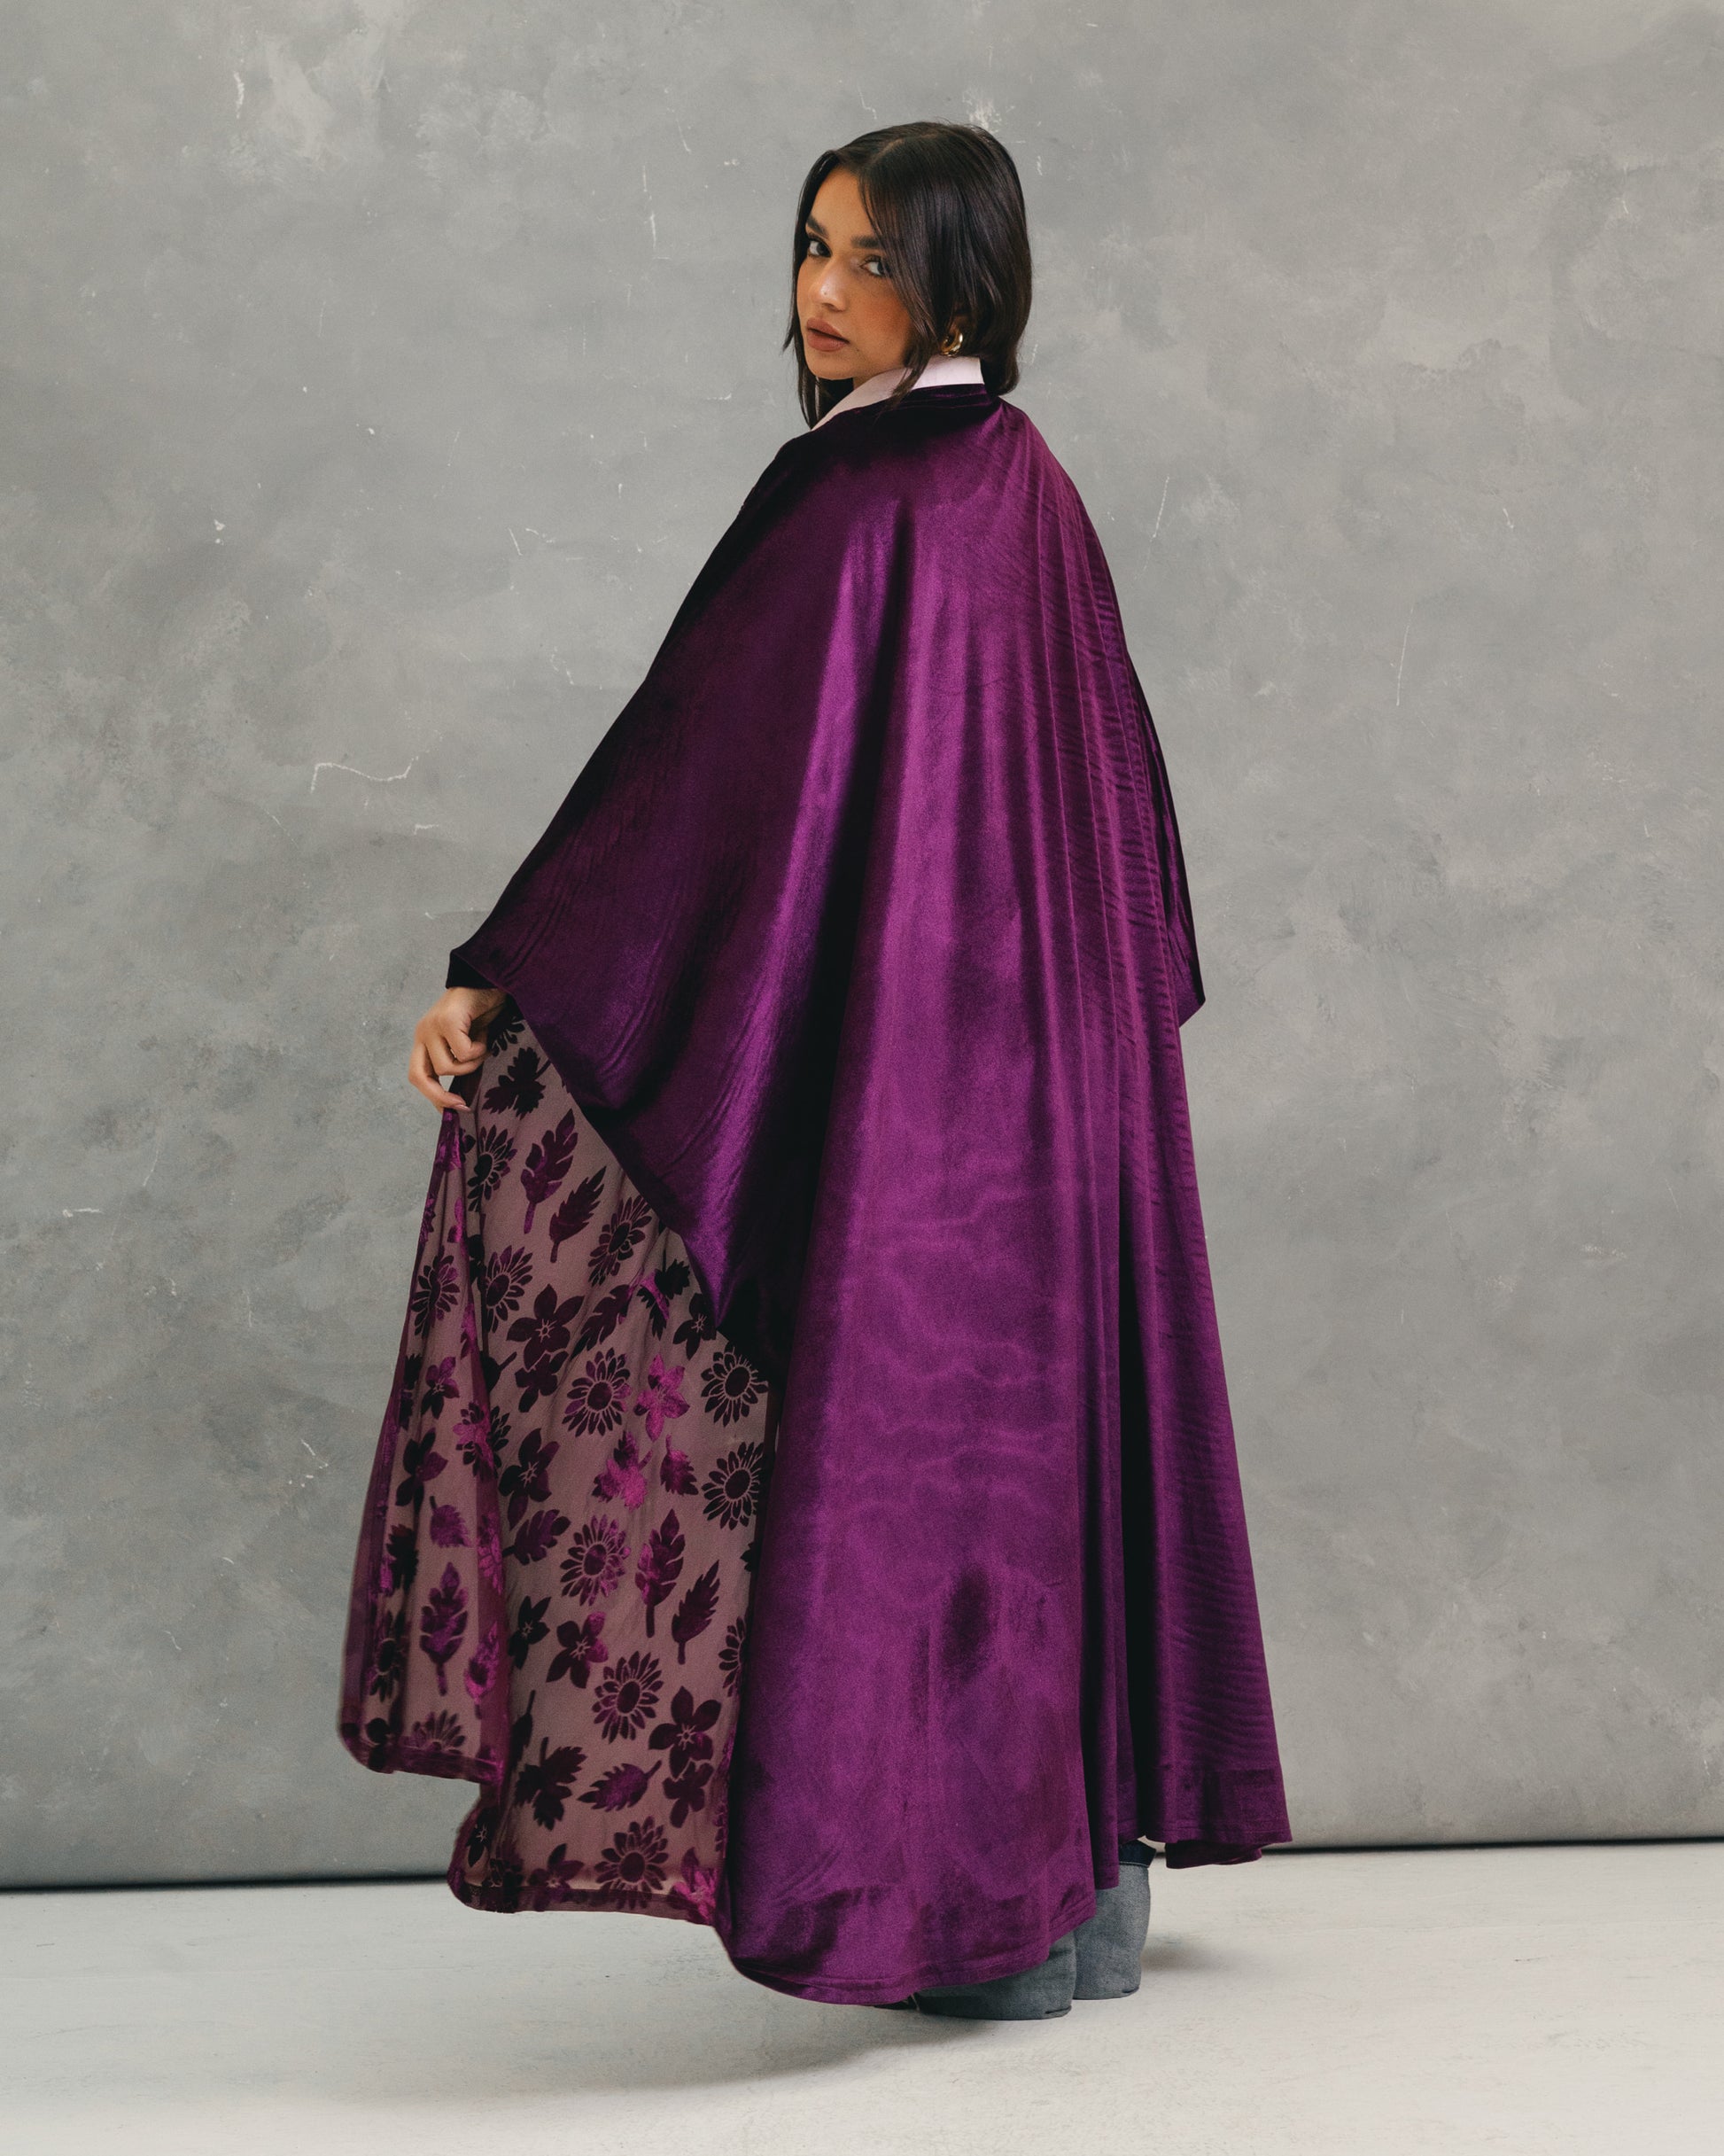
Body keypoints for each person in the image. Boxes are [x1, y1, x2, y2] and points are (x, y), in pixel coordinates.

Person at [340, 120, 1289, 2020]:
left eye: (868, 260)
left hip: (919, 1105)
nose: (821, 292)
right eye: (809, 248)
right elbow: (1120, 820)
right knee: (1042, 1451)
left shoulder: (853, 498)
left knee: (916, 1467)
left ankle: (971, 1923)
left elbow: (689, 773)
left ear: (961, 280)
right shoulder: (1025, 484)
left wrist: (509, 969)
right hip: (1062, 1098)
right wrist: (1096, 1054)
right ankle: (1079, 1912)